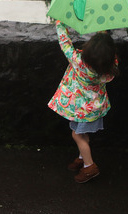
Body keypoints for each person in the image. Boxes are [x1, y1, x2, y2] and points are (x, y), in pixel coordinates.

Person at [48, 20, 119, 183]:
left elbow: (64, 42)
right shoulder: (110, 65)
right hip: (93, 108)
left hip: (80, 109)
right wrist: (104, 30)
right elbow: (106, 49)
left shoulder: (79, 62)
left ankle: (89, 166)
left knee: (77, 135)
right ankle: (82, 156)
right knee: (81, 132)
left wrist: (60, 22)